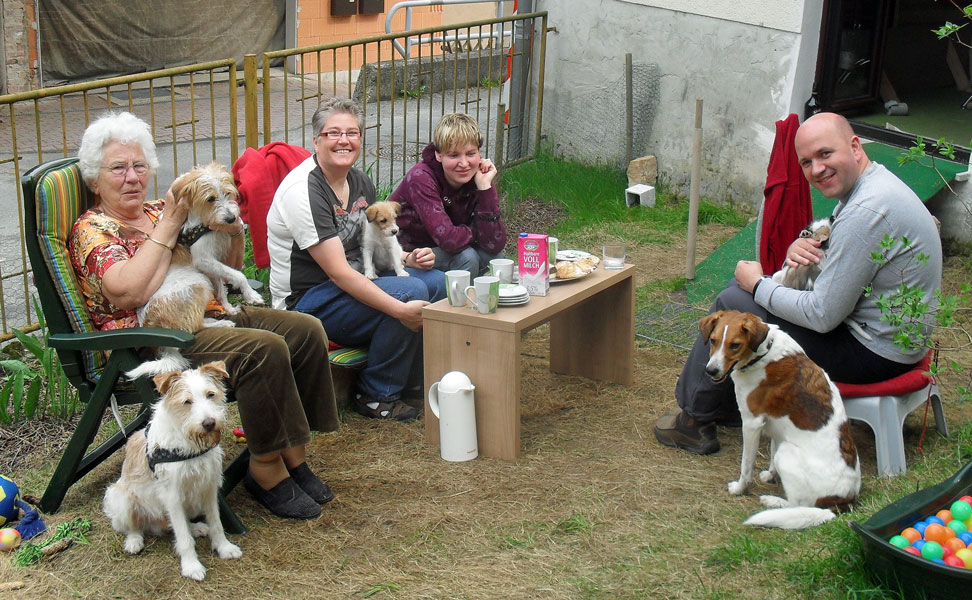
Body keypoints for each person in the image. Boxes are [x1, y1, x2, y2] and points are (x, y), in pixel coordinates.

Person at [70, 111, 338, 521]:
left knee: (305, 330)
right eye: (118, 168)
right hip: (157, 336)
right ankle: (265, 469)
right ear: (94, 180)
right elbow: (129, 291)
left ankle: (293, 454)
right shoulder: (94, 230)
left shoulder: (160, 208)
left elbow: (228, 264)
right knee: (263, 350)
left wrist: (234, 228)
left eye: (139, 166)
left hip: (210, 311)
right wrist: (171, 224)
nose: (132, 177)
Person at [653, 112, 943, 455]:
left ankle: (695, 419)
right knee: (741, 292)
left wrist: (758, 286)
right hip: (892, 341)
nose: (817, 169)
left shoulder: (866, 210)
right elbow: (845, 268)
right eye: (806, 162)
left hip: (875, 355)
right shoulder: (876, 186)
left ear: (854, 147)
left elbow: (823, 315)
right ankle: (726, 404)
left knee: (734, 302)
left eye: (825, 154)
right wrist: (799, 248)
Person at [266, 98, 446, 423]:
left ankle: (411, 380)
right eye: (333, 133)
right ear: (316, 140)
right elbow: (338, 273)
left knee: (437, 282)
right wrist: (399, 310)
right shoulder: (304, 190)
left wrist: (407, 258)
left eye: (352, 133)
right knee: (409, 293)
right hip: (306, 300)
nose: (344, 141)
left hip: (351, 280)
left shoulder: (359, 182)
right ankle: (377, 394)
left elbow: (373, 242)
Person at [389, 112, 508, 276]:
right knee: (467, 257)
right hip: (408, 255)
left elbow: (495, 243)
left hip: (444, 247)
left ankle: (492, 293)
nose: (464, 163)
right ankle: (459, 294)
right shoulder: (421, 178)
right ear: (438, 155)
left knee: (495, 257)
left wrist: (485, 188)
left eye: (471, 154)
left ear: (479, 152)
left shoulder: (479, 176)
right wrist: (479, 232)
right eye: (454, 155)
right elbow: (448, 239)